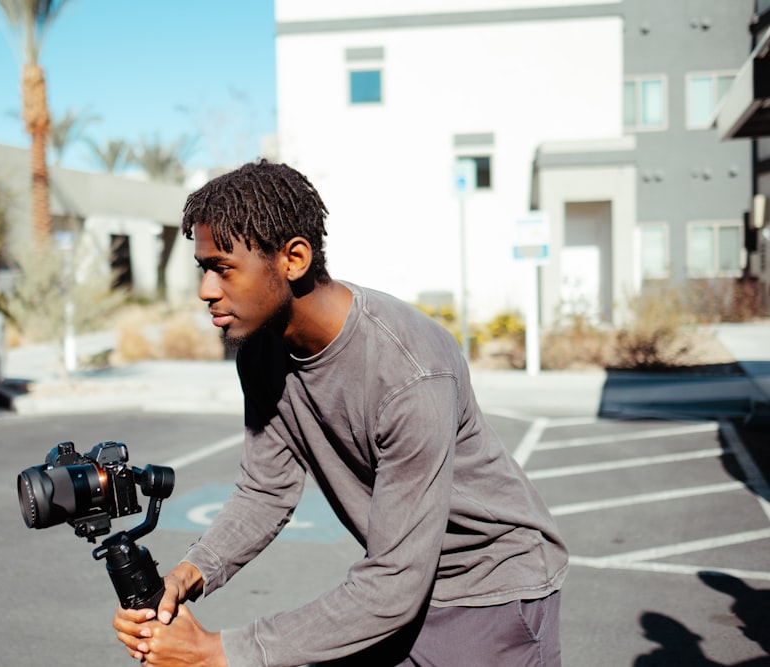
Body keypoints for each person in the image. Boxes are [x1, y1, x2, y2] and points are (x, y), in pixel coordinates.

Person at [113, 160, 568, 667]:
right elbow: (266, 490)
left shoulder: (408, 369)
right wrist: (188, 574)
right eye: (204, 268)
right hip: (399, 587)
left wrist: (216, 653)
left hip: (489, 591)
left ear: (294, 258)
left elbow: (392, 585)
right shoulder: (259, 353)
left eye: (224, 268)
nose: (206, 290)